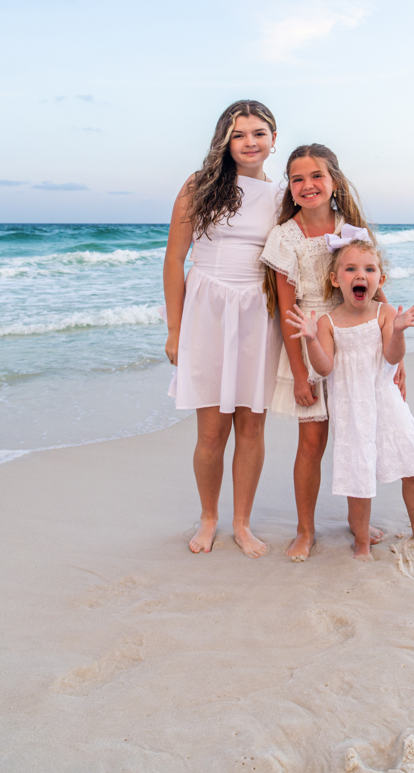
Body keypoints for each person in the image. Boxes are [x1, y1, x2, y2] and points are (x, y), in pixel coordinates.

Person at [260, 144, 405, 561]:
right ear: (289, 186)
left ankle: (358, 524)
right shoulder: (284, 237)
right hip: (310, 341)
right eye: (297, 178)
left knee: (359, 437)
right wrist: (301, 373)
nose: (307, 185)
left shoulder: (350, 229)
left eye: (316, 176)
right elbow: (287, 310)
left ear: (334, 181)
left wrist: (397, 364)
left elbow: (376, 291)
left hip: (361, 341)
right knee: (312, 442)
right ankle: (305, 531)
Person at [163, 100, 282, 558]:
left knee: (251, 427)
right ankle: (209, 517)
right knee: (211, 431)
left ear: (274, 139)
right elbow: (175, 259)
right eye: (239, 134)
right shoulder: (200, 186)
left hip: (258, 312)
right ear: (224, 141)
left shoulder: (282, 196)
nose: (249, 142)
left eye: (258, 133)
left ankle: (243, 523)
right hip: (207, 309)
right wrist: (175, 330)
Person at [287, 231, 414, 560]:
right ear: (335, 279)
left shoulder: (385, 314)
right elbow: (325, 368)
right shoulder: (328, 322)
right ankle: (360, 541)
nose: (360, 275)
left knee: (412, 469)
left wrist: (400, 332)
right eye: (350, 270)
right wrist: (311, 340)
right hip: (353, 411)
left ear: (381, 278)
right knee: (358, 479)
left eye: (369, 269)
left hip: (388, 404)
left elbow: (391, 357)